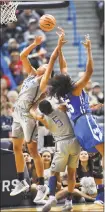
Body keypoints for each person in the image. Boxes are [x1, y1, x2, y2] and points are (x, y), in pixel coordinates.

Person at [47, 30, 104, 205]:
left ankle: (100, 196)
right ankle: (102, 194)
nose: (67, 72)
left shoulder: (64, 94)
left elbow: (63, 68)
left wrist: (60, 48)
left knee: (96, 159)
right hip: (86, 122)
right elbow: (90, 71)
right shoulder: (76, 89)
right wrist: (89, 50)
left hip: (77, 127)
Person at [10, 31, 64, 203]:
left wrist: (58, 46)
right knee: (16, 148)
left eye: (46, 64)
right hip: (17, 113)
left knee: (32, 151)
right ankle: (21, 181)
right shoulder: (31, 74)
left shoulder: (42, 82)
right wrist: (35, 43)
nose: (43, 64)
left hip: (27, 115)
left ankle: (41, 186)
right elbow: (23, 55)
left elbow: (51, 64)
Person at [30, 98, 81, 211]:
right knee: (72, 175)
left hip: (62, 143)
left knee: (54, 172)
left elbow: (33, 113)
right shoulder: (61, 108)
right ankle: (69, 202)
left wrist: (33, 105)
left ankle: (52, 197)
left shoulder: (44, 118)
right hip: (75, 142)